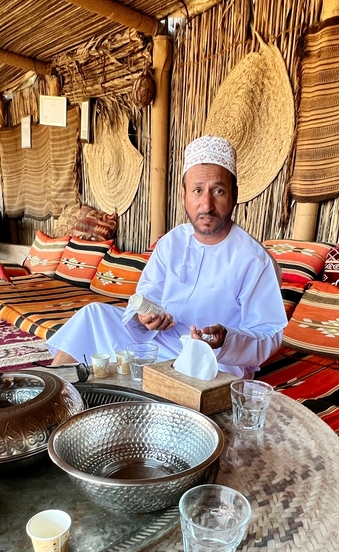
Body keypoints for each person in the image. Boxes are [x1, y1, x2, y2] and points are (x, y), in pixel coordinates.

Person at [48, 135, 286, 378]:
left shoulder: (255, 260)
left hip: (212, 357)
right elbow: (145, 295)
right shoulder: (172, 242)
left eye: (218, 190)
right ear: (184, 196)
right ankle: (53, 394)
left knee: (208, 375)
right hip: (158, 341)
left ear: (234, 195)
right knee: (94, 315)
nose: (206, 205)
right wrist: (143, 318)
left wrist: (227, 340)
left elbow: (268, 334)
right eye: (197, 190)